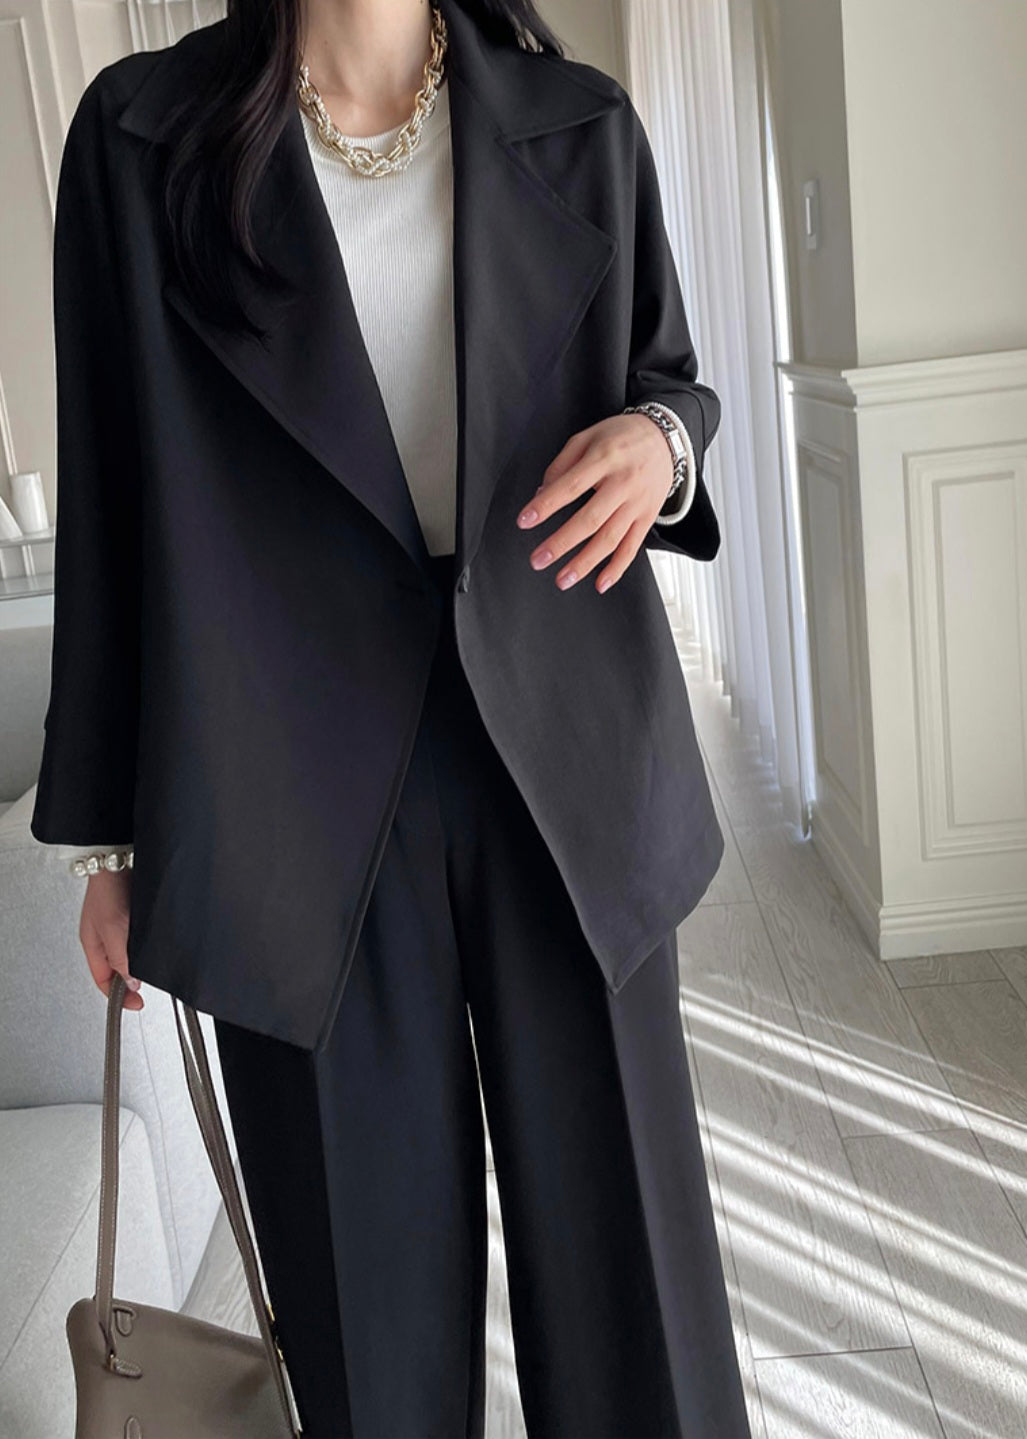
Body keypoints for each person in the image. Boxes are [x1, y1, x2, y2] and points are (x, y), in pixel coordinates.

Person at [32, 0, 752, 1434]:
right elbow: (112, 500)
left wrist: (663, 446)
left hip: (563, 764)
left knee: (635, 1300)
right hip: (285, 788)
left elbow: (667, 384)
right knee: (370, 1339)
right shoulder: (139, 140)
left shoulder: (579, 125)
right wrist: (108, 835)